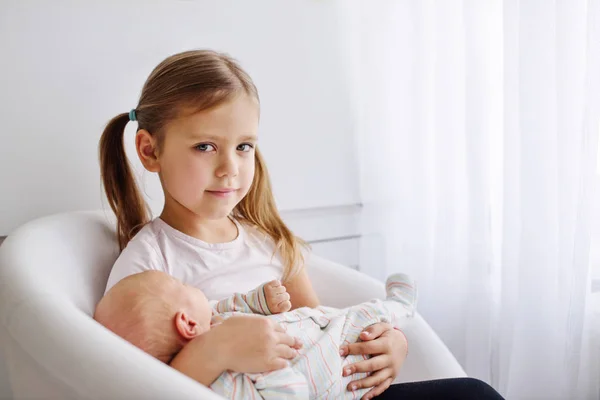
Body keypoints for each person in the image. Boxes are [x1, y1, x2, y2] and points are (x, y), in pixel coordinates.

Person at [98, 49, 504, 400]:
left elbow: (320, 325)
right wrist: (214, 350)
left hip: (328, 388)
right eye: (205, 147)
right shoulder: (149, 264)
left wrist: (387, 345)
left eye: (244, 147)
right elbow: (141, 388)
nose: (230, 168)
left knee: (474, 394)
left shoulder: (269, 242)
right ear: (150, 151)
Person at [95, 270, 416, 399]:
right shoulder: (226, 383)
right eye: (182, 286)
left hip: (317, 326)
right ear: (187, 324)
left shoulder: (212, 319)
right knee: (359, 321)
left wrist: (261, 299)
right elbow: (291, 392)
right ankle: (399, 306)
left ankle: (394, 314)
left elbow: (232, 304)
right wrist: (277, 371)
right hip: (335, 368)